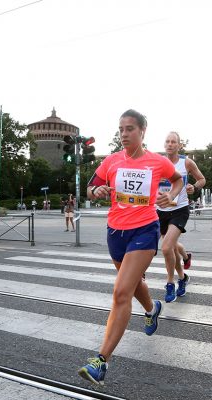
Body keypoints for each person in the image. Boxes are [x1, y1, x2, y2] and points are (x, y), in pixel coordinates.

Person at [78, 109, 184, 385]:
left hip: (144, 231)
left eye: (129, 129)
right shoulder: (111, 161)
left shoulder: (157, 161)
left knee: (121, 292)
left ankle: (100, 362)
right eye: (121, 129)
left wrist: (170, 196)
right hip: (116, 233)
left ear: (142, 131)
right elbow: (91, 188)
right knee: (133, 285)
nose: (124, 134)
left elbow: (177, 180)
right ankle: (151, 310)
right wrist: (96, 191)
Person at [157, 131, 206, 302]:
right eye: (167, 141)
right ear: (164, 145)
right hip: (161, 210)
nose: (170, 144)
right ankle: (183, 275)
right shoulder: (157, 162)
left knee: (165, 248)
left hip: (179, 210)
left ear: (179, 145)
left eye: (173, 142)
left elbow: (202, 179)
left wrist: (194, 186)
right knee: (171, 247)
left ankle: (170, 283)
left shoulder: (187, 163)